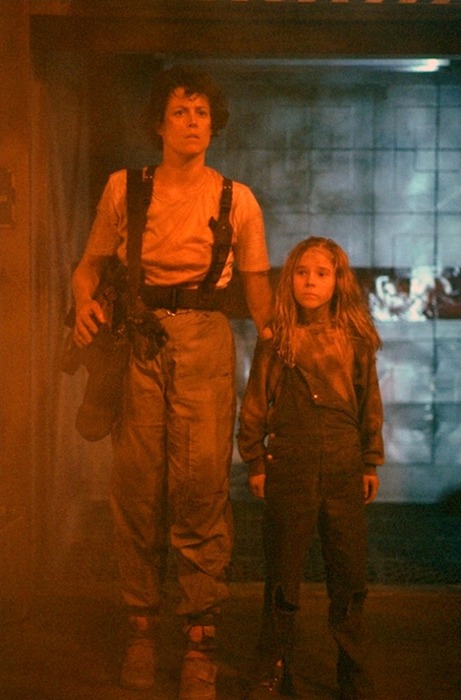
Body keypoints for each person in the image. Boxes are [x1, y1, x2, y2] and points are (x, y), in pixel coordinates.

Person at [71, 64, 273, 700]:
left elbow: (259, 288)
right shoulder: (125, 188)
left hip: (206, 340)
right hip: (139, 337)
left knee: (200, 486)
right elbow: (88, 267)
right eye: (180, 111)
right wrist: (83, 301)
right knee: (136, 486)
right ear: (158, 123)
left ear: (214, 124)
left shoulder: (237, 199)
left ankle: (199, 640)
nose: (192, 123)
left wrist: (281, 343)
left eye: (202, 113)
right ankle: (139, 629)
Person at [238, 237, 384, 700]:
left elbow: (369, 402)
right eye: (302, 272)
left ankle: (354, 674)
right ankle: (273, 669)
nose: (310, 282)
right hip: (291, 463)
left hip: (343, 462)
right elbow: (255, 402)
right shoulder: (277, 339)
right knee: (283, 574)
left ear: (338, 281)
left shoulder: (355, 339)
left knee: (349, 577)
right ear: (290, 279)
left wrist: (369, 460)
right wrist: (255, 461)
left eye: (322, 273)